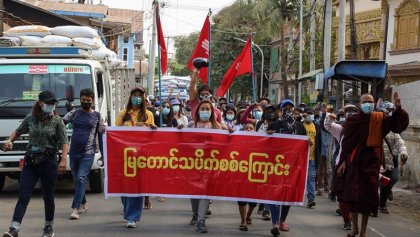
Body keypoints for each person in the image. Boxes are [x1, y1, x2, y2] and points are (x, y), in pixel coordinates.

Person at [335, 92, 409, 237]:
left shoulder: (379, 118)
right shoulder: (353, 120)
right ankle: (354, 228)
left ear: (375, 103)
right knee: (353, 197)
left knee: (367, 199)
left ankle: (363, 231)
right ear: (360, 104)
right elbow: (346, 143)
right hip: (354, 162)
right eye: (365, 101)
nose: (368, 104)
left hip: (371, 164)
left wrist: (398, 108)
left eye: (371, 101)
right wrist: (343, 161)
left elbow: (396, 125)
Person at [2, 91, 69, 237]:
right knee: (24, 196)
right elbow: (18, 132)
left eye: (53, 103)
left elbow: (64, 142)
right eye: (48, 103)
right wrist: (9, 141)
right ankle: (14, 228)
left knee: (48, 196)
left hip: (49, 162)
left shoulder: (57, 121)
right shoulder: (30, 118)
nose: (51, 105)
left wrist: (63, 160)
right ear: (40, 103)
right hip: (31, 162)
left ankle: (48, 227)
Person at [115, 86, 157, 228]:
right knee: (124, 187)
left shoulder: (148, 115)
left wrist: (149, 127)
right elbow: (114, 133)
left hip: (141, 156)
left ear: (144, 98)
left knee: (136, 186)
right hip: (125, 155)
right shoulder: (123, 114)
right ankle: (128, 210)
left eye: (140, 95)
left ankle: (132, 217)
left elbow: (153, 133)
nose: (137, 97)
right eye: (134, 95)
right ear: (130, 97)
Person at [63, 88, 105, 220]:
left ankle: (75, 208)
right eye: (83, 100)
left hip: (88, 153)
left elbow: (102, 134)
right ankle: (84, 202)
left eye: (88, 100)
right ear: (80, 100)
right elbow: (60, 123)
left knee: (81, 178)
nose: (86, 102)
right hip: (74, 152)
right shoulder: (74, 113)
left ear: (92, 101)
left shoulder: (97, 116)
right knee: (77, 180)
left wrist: (103, 154)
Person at [266, 99, 306, 236]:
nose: (288, 110)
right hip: (275, 166)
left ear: (295, 110)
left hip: (293, 167)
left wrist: (308, 145)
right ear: (280, 110)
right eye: (285, 108)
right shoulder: (274, 125)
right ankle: (275, 223)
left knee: (287, 194)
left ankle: (283, 220)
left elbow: (304, 146)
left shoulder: (300, 127)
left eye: (290, 107)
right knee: (274, 194)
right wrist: (268, 137)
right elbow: (264, 145)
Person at [187, 100, 222, 233]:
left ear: (212, 112)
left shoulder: (216, 126)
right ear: (198, 111)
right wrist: (179, 131)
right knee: (194, 192)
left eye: (208, 109)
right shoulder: (191, 125)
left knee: (205, 192)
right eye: (203, 108)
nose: (206, 111)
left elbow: (222, 144)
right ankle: (196, 214)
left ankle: (201, 221)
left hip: (209, 165)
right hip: (193, 164)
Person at [377, 101, 408, 215]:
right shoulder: (375, 125)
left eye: (389, 113)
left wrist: (403, 153)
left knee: (391, 180)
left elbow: (400, 143)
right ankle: (376, 205)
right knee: (376, 183)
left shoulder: (393, 131)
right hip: (376, 160)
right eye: (384, 112)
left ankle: (382, 203)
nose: (386, 115)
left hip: (390, 161)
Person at [302, 107, 321, 208]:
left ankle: (311, 199)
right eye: (307, 113)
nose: (309, 115)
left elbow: (319, 141)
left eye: (311, 113)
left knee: (311, 178)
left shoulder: (316, 126)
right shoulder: (300, 125)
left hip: (312, 157)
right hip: (300, 158)